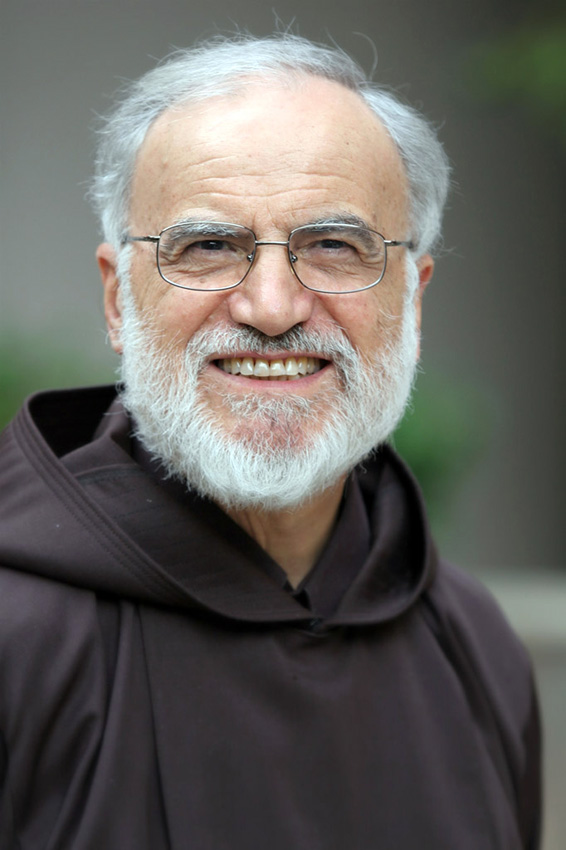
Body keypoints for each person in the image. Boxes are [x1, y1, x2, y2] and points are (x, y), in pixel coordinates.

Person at [0, 34, 541, 850]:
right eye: (209, 246)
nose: (273, 306)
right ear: (118, 300)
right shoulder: (14, 637)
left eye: (333, 246)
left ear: (413, 300)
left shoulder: (475, 647)